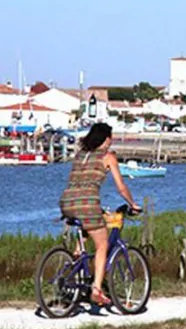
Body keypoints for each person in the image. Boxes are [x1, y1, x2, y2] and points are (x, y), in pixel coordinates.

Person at [59, 122, 141, 306]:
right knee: (103, 243)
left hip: (67, 201)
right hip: (86, 203)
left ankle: (78, 255)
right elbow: (121, 187)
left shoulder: (80, 155)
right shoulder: (108, 156)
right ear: (106, 139)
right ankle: (96, 289)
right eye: (110, 138)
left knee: (94, 222)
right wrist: (133, 203)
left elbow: (81, 183)